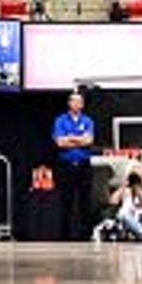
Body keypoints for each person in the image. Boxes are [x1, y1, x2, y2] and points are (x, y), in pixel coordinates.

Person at [51, 86, 98, 236]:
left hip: (84, 166)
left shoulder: (88, 121)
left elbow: (89, 141)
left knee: (85, 202)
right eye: (74, 101)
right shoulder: (60, 120)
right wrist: (79, 139)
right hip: (66, 166)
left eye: (80, 102)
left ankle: (85, 234)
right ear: (69, 103)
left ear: (83, 105)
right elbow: (60, 143)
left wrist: (70, 137)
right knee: (66, 201)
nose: (77, 105)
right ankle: (65, 235)